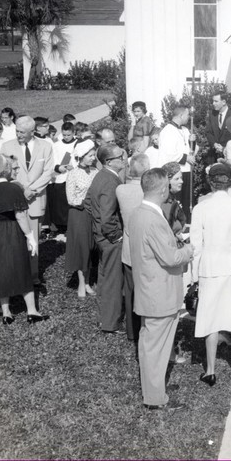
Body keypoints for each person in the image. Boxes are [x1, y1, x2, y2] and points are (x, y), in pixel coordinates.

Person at [130, 168, 195, 409]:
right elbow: (170, 258)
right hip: (159, 293)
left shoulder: (139, 213)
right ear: (161, 189)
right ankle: (156, 398)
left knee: (151, 345)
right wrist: (188, 250)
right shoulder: (153, 219)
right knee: (155, 349)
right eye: (167, 185)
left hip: (149, 289)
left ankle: (154, 388)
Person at [190, 163, 231, 386]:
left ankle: (211, 370)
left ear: (210, 183)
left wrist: (194, 275)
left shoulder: (201, 209)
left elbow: (196, 245)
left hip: (210, 266)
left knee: (210, 318)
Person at [0, 155, 48, 324]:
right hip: (12, 231)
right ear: (7, 169)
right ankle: (32, 311)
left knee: (1, 270)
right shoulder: (13, 189)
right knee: (21, 268)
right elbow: (21, 216)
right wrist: (30, 237)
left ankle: (6, 313)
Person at [0, 115, 54, 286]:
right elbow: (5, 172)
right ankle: (14, 274)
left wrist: (33, 190)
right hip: (14, 199)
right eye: (17, 130)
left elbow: (48, 171)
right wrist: (22, 189)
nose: (18, 134)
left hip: (36, 200)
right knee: (14, 238)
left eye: (22, 132)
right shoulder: (6, 146)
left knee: (33, 239)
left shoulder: (45, 146)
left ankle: (32, 275)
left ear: (33, 131)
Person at [84, 144, 126, 334]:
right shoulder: (110, 181)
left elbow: (87, 203)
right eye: (120, 156)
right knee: (113, 280)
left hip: (101, 236)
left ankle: (105, 316)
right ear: (109, 161)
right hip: (110, 239)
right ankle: (110, 323)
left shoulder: (100, 177)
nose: (124, 159)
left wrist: (98, 223)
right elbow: (108, 216)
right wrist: (116, 236)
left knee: (104, 276)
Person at [116, 153, 150, 341]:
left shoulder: (121, 190)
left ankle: (132, 330)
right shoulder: (147, 192)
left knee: (130, 291)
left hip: (128, 248)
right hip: (146, 248)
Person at [65, 140, 100, 299]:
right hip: (79, 214)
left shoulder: (95, 172)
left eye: (94, 155)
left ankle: (87, 281)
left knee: (92, 247)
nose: (93, 158)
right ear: (82, 156)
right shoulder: (72, 173)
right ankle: (81, 282)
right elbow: (70, 198)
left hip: (93, 214)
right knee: (82, 247)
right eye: (90, 155)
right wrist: (86, 202)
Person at [158, 106, 195, 220]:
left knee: (187, 200)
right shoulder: (167, 131)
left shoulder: (184, 130)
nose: (189, 117)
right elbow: (169, 153)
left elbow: (187, 148)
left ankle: (187, 222)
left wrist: (192, 141)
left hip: (186, 170)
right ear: (181, 115)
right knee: (177, 201)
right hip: (175, 172)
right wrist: (186, 158)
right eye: (187, 115)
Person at [49, 121, 77, 241]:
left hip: (73, 176)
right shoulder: (57, 145)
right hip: (61, 176)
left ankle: (71, 227)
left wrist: (74, 166)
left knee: (70, 202)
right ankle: (61, 228)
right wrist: (58, 167)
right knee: (60, 204)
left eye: (68, 135)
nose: (66, 137)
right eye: (64, 135)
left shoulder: (77, 144)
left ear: (73, 133)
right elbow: (53, 160)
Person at [206, 92, 231, 161]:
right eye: (213, 101)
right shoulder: (212, 114)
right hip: (213, 156)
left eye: (216, 101)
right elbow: (208, 132)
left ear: (224, 102)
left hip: (228, 156)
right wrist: (214, 144)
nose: (213, 103)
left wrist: (223, 148)